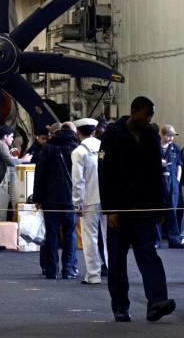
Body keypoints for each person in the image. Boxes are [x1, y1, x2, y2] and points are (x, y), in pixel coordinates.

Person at [99, 96, 175, 323]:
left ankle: (157, 302)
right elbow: (104, 174)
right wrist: (109, 210)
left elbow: (155, 174)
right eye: (146, 115)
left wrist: (160, 208)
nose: (149, 119)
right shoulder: (112, 135)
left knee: (148, 254)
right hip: (120, 210)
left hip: (144, 208)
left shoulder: (151, 135)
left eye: (151, 115)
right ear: (134, 112)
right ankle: (120, 307)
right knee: (117, 260)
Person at [33, 121, 78, 280]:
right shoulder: (76, 148)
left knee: (51, 235)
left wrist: (37, 198)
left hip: (50, 199)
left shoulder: (47, 148)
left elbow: (40, 175)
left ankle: (52, 270)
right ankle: (69, 269)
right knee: (70, 234)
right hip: (71, 199)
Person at [71, 118, 107, 285]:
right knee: (109, 237)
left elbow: (78, 181)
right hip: (107, 198)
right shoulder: (104, 147)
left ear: (78, 133)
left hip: (88, 200)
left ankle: (93, 274)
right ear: (94, 131)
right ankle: (112, 270)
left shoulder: (78, 152)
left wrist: (77, 202)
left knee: (90, 237)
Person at [0, 125, 31, 221]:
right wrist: (24, 159)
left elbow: (7, 160)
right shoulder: (2, 145)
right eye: (11, 136)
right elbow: (11, 162)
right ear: (5, 137)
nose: (13, 139)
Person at [158, 125, 184, 248]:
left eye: (173, 136)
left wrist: (178, 180)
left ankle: (174, 240)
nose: (171, 139)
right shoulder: (154, 147)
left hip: (172, 183)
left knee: (172, 212)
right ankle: (155, 241)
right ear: (162, 135)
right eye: (169, 136)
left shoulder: (175, 148)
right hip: (158, 183)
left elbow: (179, 165)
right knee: (157, 212)